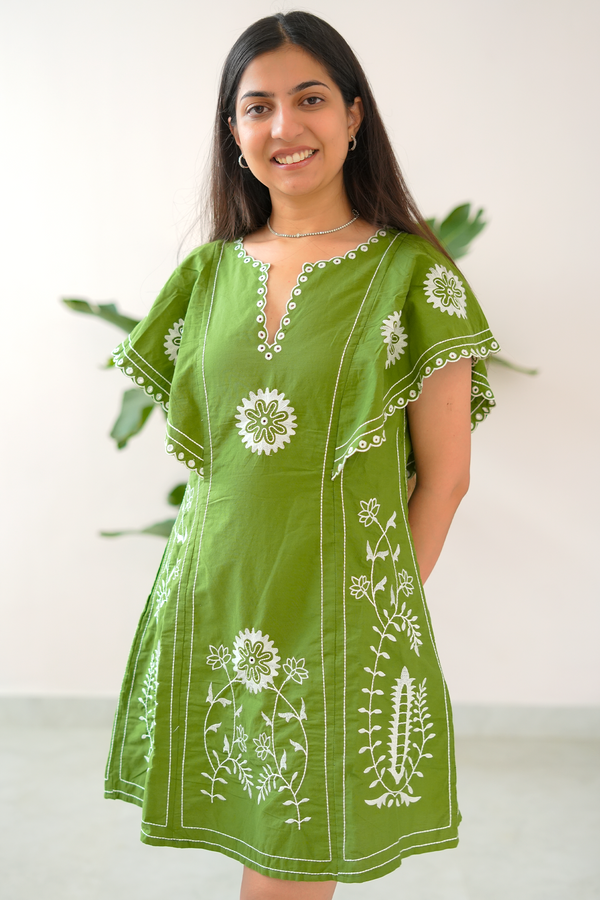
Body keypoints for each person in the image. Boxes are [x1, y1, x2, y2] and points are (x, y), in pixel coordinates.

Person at [104, 11, 500, 899]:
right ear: (234, 133)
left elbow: (445, 480)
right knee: (263, 856)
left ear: (355, 116)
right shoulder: (204, 278)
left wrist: (370, 611)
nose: (286, 127)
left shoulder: (414, 277)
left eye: (310, 99)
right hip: (213, 611)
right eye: (258, 108)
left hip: (339, 619)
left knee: (292, 867)